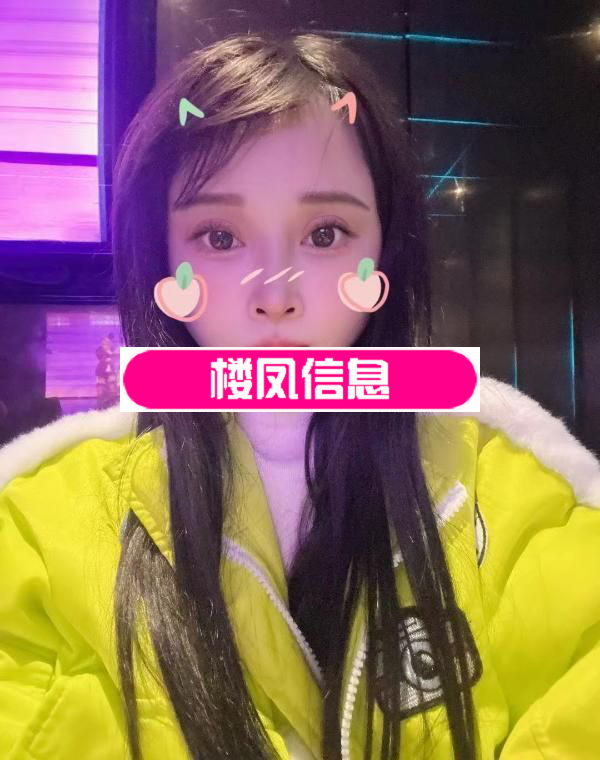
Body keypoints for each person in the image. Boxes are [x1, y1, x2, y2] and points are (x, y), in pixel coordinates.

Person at [0, 31, 599, 760]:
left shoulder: (513, 494)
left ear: (387, 248)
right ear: (162, 257)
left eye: (325, 232)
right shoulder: (36, 527)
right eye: (219, 237)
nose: (275, 295)